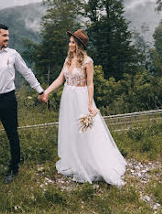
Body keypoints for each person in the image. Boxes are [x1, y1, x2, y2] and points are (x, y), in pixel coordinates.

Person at [40, 29, 126, 187]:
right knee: (71, 128)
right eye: (70, 41)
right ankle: (74, 159)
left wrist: (89, 104)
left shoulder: (87, 61)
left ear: (79, 45)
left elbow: (90, 83)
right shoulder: (68, 59)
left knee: (84, 130)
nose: (70, 44)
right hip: (68, 97)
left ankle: (89, 163)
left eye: (73, 42)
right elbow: (60, 79)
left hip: (81, 97)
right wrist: (46, 92)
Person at [0, 24, 45, 184]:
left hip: (8, 100)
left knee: (13, 136)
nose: (8, 38)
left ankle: (14, 169)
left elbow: (26, 72)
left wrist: (40, 91)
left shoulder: (12, 54)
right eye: (5, 36)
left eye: (7, 35)